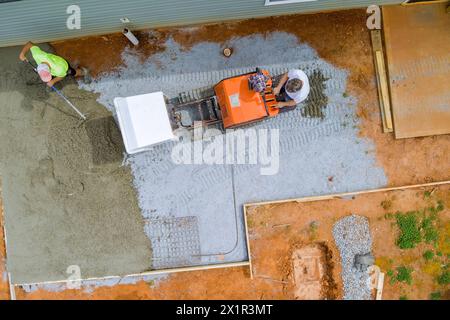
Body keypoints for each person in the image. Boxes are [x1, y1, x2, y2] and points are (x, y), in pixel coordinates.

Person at [19, 41, 88, 87]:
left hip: (64, 66)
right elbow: (29, 44)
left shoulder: (59, 69)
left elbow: (62, 76)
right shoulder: (38, 55)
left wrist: (53, 81)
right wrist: (22, 53)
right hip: (54, 62)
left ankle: (81, 72)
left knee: (72, 72)